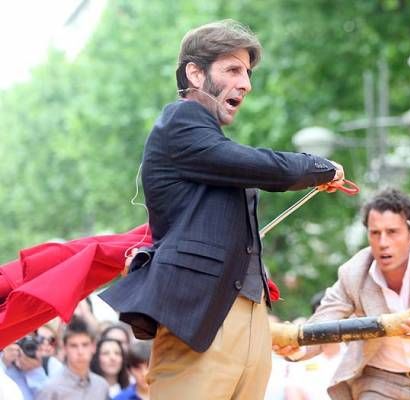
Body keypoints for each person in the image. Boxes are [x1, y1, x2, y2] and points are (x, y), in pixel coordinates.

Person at [100, 19, 345, 400]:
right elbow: (259, 166)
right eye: (232, 69)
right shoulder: (179, 121)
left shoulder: (207, 139)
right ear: (195, 74)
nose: (246, 83)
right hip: (202, 322)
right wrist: (318, 167)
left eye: (247, 73)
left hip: (245, 319)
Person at [276, 189, 410, 400]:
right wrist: (294, 349)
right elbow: (320, 327)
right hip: (379, 382)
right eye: (375, 233)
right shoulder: (352, 274)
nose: (383, 242)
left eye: (392, 232)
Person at [36, 317, 109, 400]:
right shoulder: (51, 388)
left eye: (85, 345)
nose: (80, 351)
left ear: (93, 347)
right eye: (73, 346)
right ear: (65, 348)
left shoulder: (102, 386)